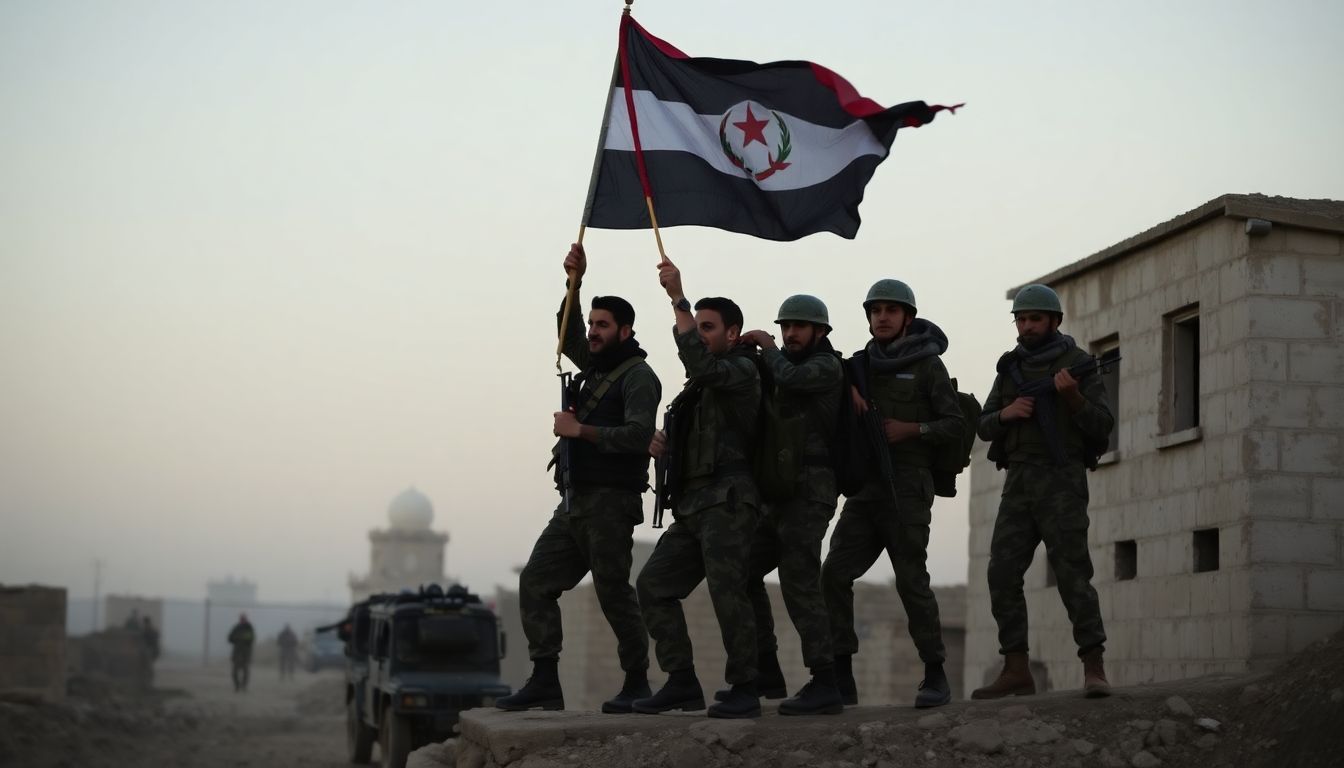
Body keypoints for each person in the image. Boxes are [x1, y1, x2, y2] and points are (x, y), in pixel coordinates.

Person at [496, 243, 661, 714]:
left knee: (613, 593)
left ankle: (637, 681)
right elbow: (566, 336)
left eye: (602, 326)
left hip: (610, 501)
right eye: (591, 324)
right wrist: (574, 282)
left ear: (625, 331)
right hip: (575, 501)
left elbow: (637, 435)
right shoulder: (596, 367)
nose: (592, 332)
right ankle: (545, 679)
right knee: (536, 581)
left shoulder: (638, 377)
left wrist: (580, 431)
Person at [820, 279, 963, 709]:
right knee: (833, 574)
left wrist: (912, 430)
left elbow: (955, 424)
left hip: (907, 487)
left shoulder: (927, 367)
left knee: (912, 581)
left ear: (907, 318)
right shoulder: (859, 366)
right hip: (867, 488)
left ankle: (935, 673)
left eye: (891, 310)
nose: (882, 317)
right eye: (876, 310)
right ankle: (842, 672)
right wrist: (846, 389)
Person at [633, 257, 762, 719]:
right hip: (694, 505)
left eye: (709, 327)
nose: (702, 334)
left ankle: (746, 685)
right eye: (698, 327)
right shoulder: (699, 389)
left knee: (729, 592)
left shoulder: (742, 372)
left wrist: (677, 299)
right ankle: (682, 681)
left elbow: (702, 365)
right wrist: (667, 448)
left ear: (732, 334)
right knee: (653, 585)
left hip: (728, 501)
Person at [972, 283, 1115, 699]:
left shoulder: (1079, 365)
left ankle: (1093, 665)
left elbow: (1102, 426)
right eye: (1021, 318)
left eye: (1035, 318)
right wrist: (1008, 413)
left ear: (1054, 321)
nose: (1027, 326)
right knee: (1001, 572)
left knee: (1073, 573)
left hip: (1062, 480)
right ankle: (1016, 668)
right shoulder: (1010, 368)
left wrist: (1072, 398)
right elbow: (983, 424)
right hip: (1019, 481)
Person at [736, 295, 845, 715]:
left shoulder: (825, 366)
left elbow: (793, 378)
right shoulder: (779, 364)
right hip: (777, 492)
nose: (791, 334)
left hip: (811, 490)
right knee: (741, 569)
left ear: (820, 332)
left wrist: (767, 345)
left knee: (799, 581)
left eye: (799, 327)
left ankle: (825, 680)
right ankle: (765, 666)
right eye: (785, 327)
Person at [227, 613, 256, 692]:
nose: (242, 620)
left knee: (245, 671)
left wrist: (240, 638)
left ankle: (244, 686)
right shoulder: (236, 628)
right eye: (241, 619)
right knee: (234, 672)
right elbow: (230, 638)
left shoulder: (249, 628)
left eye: (243, 619)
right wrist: (237, 639)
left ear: (246, 619)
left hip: (245, 654)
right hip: (237, 653)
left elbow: (251, 639)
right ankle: (237, 686)